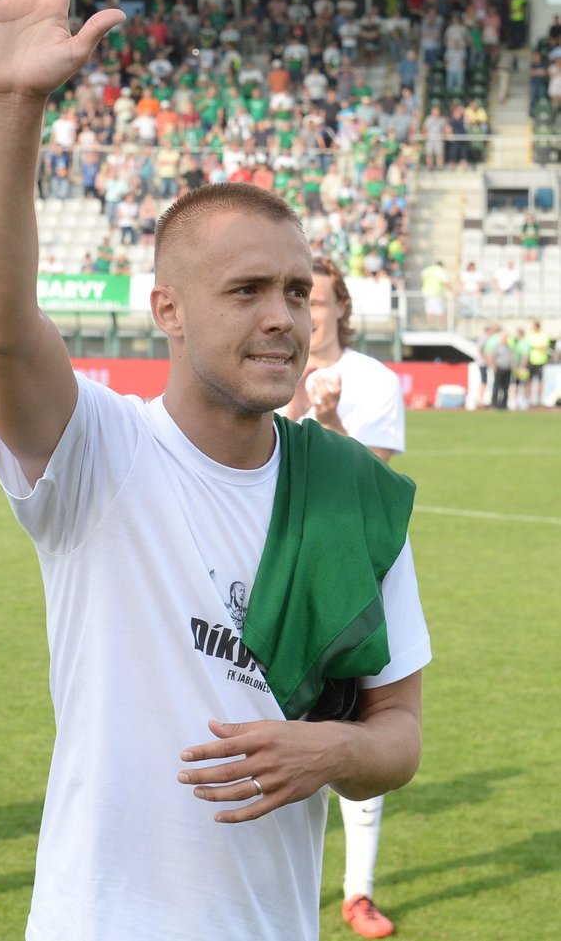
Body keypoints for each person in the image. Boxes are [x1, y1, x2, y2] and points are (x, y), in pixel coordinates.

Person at [0, 0, 429, 941]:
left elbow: (398, 728)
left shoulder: (350, 497)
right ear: (166, 309)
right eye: (247, 289)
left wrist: (332, 752)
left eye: (298, 290)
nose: (282, 316)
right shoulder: (99, 453)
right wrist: (10, 105)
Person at [282, 259, 405, 938]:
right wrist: (299, 405)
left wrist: (328, 420)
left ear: (340, 308)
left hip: (348, 578)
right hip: (274, 577)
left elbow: (375, 485)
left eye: (317, 299)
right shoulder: (266, 368)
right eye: (300, 298)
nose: (309, 312)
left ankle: (357, 891)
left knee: (355, 727)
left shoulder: (375, 381)